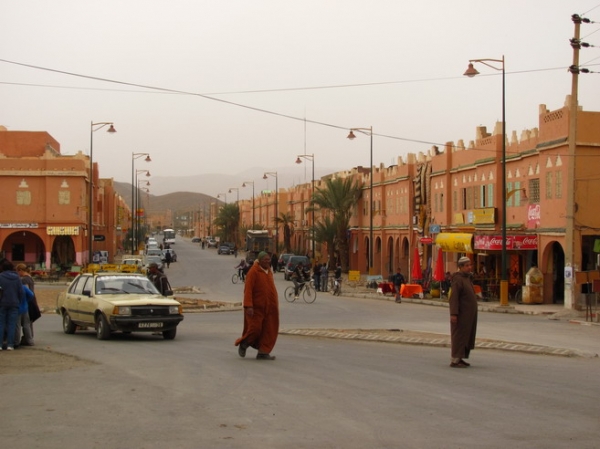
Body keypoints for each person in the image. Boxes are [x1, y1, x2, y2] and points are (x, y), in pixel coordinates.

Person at [235, 251, 279, 360]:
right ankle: (244, 343)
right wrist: (248, 305)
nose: (267, 261)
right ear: (259, 260)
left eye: (269, 259)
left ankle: (263, 352)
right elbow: (248, 290)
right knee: (255, 329)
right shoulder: (253, 272)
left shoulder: (269, 272)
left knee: (268, 330)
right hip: (256, 308)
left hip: (269, 308)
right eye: (265, 260)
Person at [448, 256, 478, 368]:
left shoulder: (467, 278)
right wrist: (454, 313)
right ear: (460, 267)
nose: (469, 267)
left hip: (468, 315)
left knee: (466, 336)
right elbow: (454, 297)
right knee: (459, 336)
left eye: (470, 265)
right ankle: (455, 359)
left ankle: (461, 357)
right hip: (461, 314)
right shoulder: (458, 279)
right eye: (467, 266)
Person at [0, 259, 25, 351]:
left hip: (2, 303)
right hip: (14, 303)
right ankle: (10, 344)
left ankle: (0, 344)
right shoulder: (17, 278)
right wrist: (18, 300)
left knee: (1, 323)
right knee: (12, 324)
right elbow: (21, 292)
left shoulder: (0, 277)